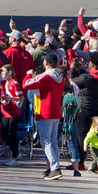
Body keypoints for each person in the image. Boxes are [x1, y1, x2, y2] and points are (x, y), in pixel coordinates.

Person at [23, 52, 64, 180]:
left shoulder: (46, 76)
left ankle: (54, 167)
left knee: (45, 141)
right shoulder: (60, 76)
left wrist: (29, 74)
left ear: (46, 62)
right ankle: (53, 166)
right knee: (53, 141)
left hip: (45, 111)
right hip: (56, 110)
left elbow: (27, 84)